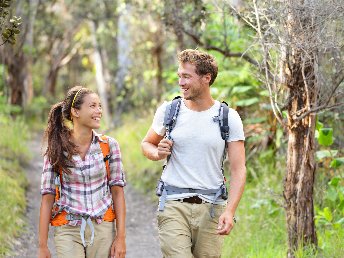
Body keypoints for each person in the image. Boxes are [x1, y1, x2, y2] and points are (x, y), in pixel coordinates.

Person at [141, 49, 246, 258]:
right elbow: (147, 144)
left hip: (212, 208)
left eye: (186, 76)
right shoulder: (170, 111)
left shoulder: (228, 117)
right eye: (180, 75)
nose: (181, 82)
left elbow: (238, 169)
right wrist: (157, 153)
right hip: (173, 204)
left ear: (206, 78)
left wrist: (230, 211)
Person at [38, 86, 126, 258]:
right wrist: (42, 246)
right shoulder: (56, 148)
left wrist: (121, 237)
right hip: (67, 228)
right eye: (92, 106)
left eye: (99, 106)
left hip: (103, 227)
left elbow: (118, 192)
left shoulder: (109, 146)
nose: (99, 111)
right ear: (75, 111)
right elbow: (47, 197)